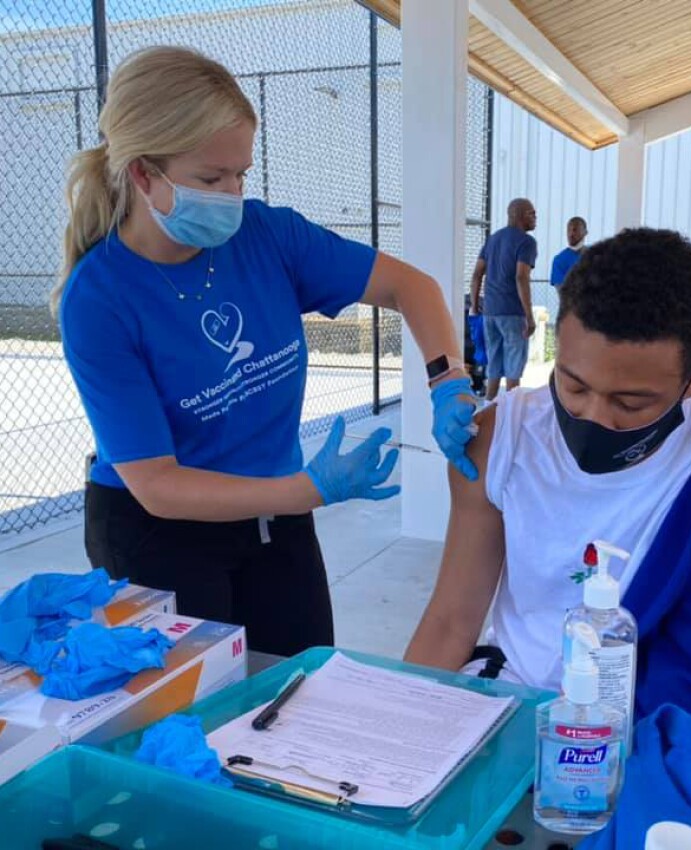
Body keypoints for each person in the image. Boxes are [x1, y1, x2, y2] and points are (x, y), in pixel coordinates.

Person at [56, 47, 477, 658]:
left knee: (302, 692)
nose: (231, 194)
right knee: (191, 723)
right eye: (210, 178)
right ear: (144, 174)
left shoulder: (266, 236)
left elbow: (412, 288)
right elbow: (157, 485)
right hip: (157, 533)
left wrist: (449, 381)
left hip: (274, 515)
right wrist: (311, 489)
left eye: (241, 174)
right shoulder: (99, 300)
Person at [406, 228, 691, 750]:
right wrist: (393, 737)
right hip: (511, 707)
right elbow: (451, 622)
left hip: (653, 738)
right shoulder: (498, 438)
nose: (593, 417)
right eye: (573, 384)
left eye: (630, 404)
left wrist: (574, 750)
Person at [470, 198, 537, 401]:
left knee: (494, 367)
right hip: (513, 313)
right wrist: (529, 316)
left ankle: (488, 411)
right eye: (532, 213)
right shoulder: (527, 242)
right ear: (520, 215)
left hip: (490, 313)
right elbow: (521, 276)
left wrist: (474, 307)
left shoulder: (492, 240)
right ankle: (509, 417)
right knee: (513, 371)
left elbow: (476, 274)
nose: (535, 218)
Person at [550, 216, 587, 286]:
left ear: (585, 232)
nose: (571, 234)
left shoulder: (595, 256)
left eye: (575, 230)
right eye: (568, 230)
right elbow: (561, 291)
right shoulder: (559, 260)